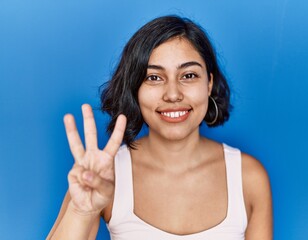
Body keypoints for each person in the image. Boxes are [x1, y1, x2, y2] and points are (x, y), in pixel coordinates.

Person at [47, 15, 272, 240]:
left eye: (189, 75)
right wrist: (81, 211)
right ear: (135, 88)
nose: (173, 94)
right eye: (154, 77)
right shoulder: (104, 175)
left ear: (209, 83)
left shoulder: (248, 177)